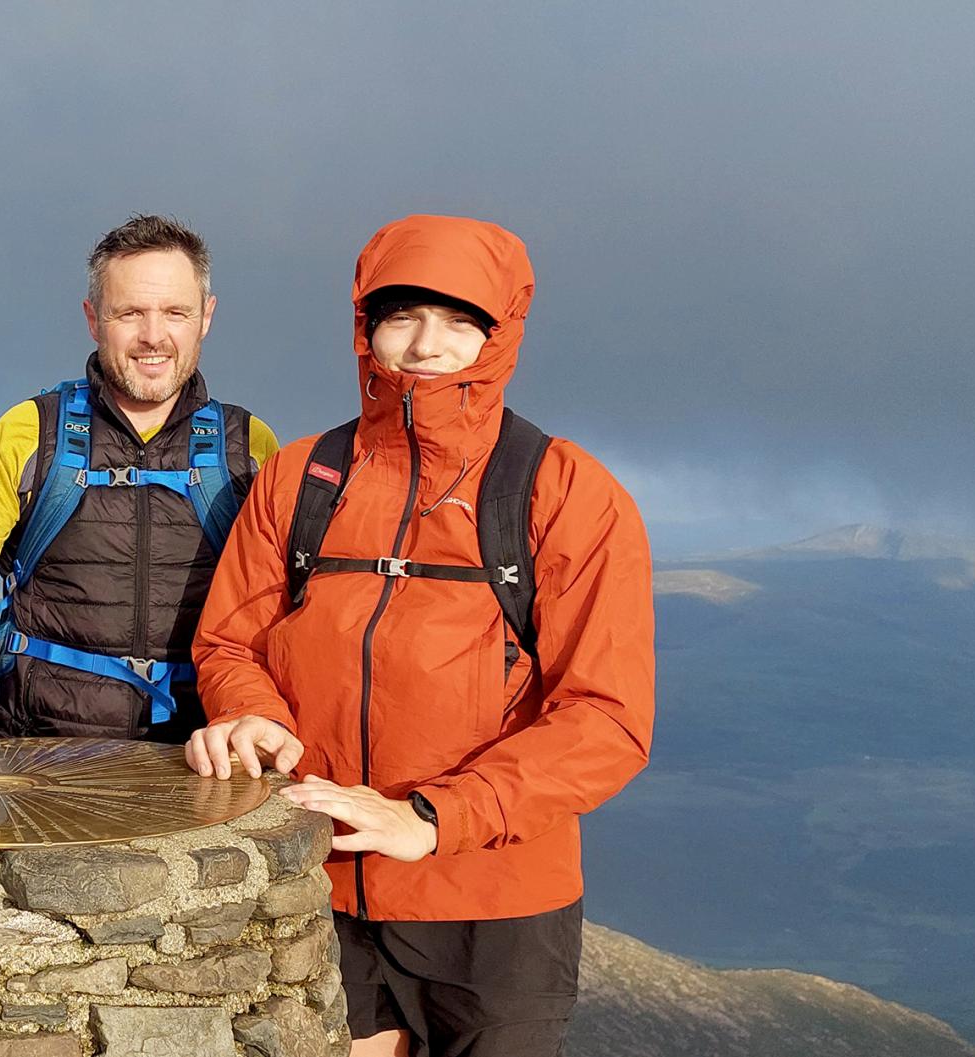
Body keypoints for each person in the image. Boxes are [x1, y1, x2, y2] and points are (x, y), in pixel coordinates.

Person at [187, 214, 655, 1057]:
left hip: (496, 905)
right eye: (401, 314)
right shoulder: (303, 477)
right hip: (321, 881)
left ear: (500, 330)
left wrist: (432, 820)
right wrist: (251, 714)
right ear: (365, 325)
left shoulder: (565, 492)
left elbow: (608, 721)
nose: (426, 344)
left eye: (459, 319)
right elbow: (231, 641)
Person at [0, 214, 278, 764]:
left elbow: (281, 616)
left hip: (202, 761)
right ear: (93, 319)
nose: (153, 336)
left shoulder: (249, 446)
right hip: (43, 766)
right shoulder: (29, 433)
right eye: (128, 312)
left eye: (176, 312)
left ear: (206, 316)